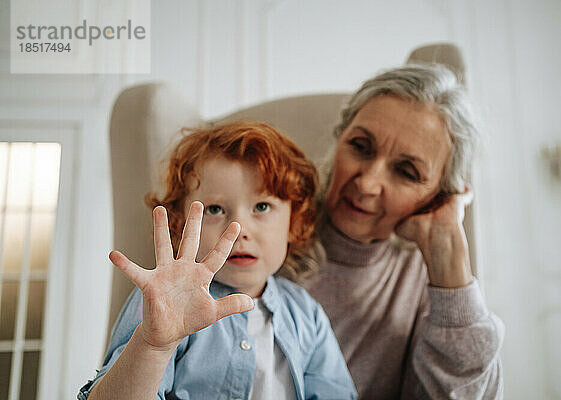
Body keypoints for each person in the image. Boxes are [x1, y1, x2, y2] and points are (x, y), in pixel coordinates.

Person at [78, 121, 357, 400]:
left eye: (261, 206)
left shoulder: (307, 315)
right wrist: (153, 345)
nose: (238, 230)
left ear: (293, 222)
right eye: (214, 209)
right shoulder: (161, 301)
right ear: (180, 225)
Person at [299, 64, 505, 399]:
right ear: (340, 138)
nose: (366, 184)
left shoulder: (428, 281)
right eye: (361, 147)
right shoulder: (267, 221)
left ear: (440, 195)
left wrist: (451, 270)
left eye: (406, 172)